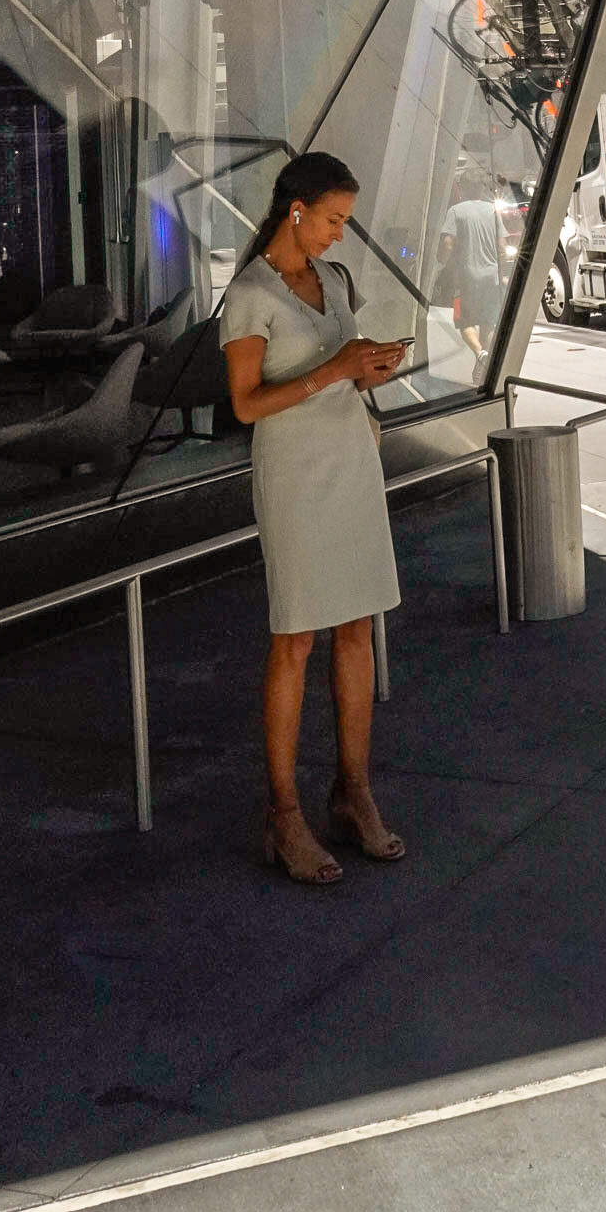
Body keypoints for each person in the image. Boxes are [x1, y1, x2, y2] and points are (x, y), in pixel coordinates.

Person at [221, 152, 411, 885]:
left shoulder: (334, 279)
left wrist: (369, 369)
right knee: (296, 637)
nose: (339, 233)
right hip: (295, 476)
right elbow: (245, 405)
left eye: (345, 221)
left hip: (351, 461)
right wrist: (335, 369)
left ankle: (353, 792)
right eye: (333, 218)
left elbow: (342, 377)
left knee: (358, 626)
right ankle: (284, 813)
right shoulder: (250, 295)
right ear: (296, 209)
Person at [439, 165, 504, 357]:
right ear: (483, 188)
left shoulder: (456, 211)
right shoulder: (493, 211)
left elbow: (447, 244)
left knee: (464, 321)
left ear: (463, 187)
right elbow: (502, 247)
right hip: (491, 277)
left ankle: (479, 353)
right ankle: (485, 360)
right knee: (487, 321)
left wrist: (442, 263)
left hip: (466, 278)